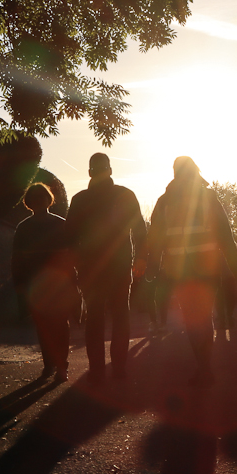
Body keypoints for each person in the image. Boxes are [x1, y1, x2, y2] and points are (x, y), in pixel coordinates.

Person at [144, 157, 237, 386]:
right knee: (204, 319)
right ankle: (205, 366)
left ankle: (204, 367)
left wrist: (151, 268)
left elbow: (155, 239)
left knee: (192, 320)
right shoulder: (208, 198)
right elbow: (225, 233)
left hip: (179, 270)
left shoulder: (165, 201)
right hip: (207, 268)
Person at [66, 153, 147, 384]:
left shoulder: (80, 199)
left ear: (89, 172)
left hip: (91, 268)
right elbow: (140, 230)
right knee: (121, 316)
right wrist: (141, 258)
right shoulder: (125, 195)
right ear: (110, 170)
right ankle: (119, 367)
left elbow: (69, 237)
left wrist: (76, 263)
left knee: (95, 318)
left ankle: (97, 369)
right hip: (119, 266)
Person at [12, 183, 77, 383]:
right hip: (58, 284)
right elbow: (71, 256)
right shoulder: (61, 224)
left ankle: (51, 365)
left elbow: (17, 261)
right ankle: (60, 366)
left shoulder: (23, 228)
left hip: (37, 285)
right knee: (59, 325)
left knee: (45, 326)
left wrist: (20, 285)